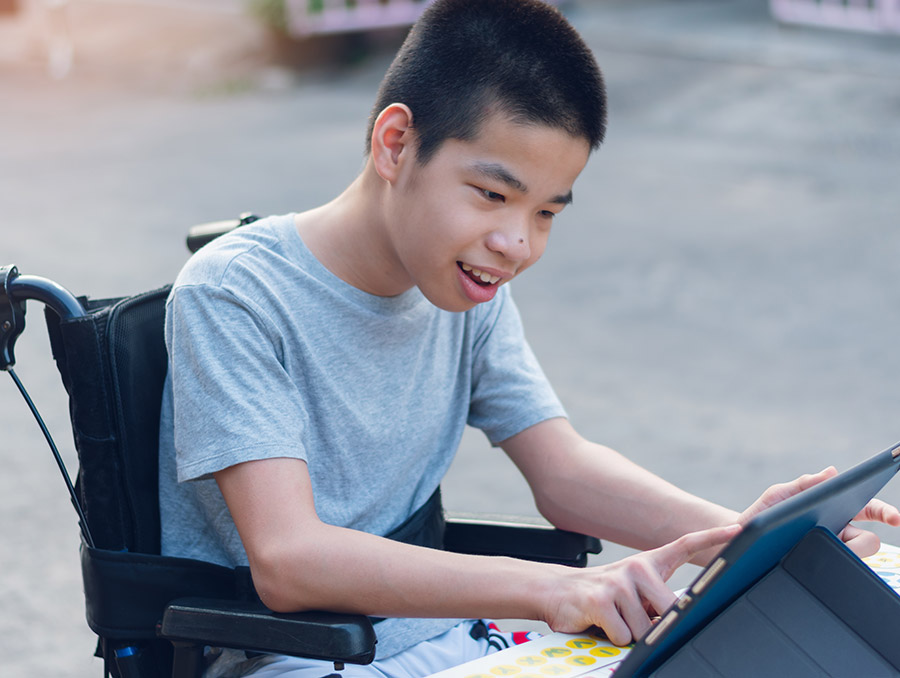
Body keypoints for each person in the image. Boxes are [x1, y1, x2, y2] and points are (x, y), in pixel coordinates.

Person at [157, 1, 900, 676]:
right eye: (492, 194)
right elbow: (291, 560)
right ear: (395, 144)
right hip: (296, 658)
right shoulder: (234, 295)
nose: (516, 242)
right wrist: (555, 588)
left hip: (446, 642)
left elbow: (565, 474)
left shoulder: (464, 284)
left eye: (547, 212)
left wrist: (752, 538)